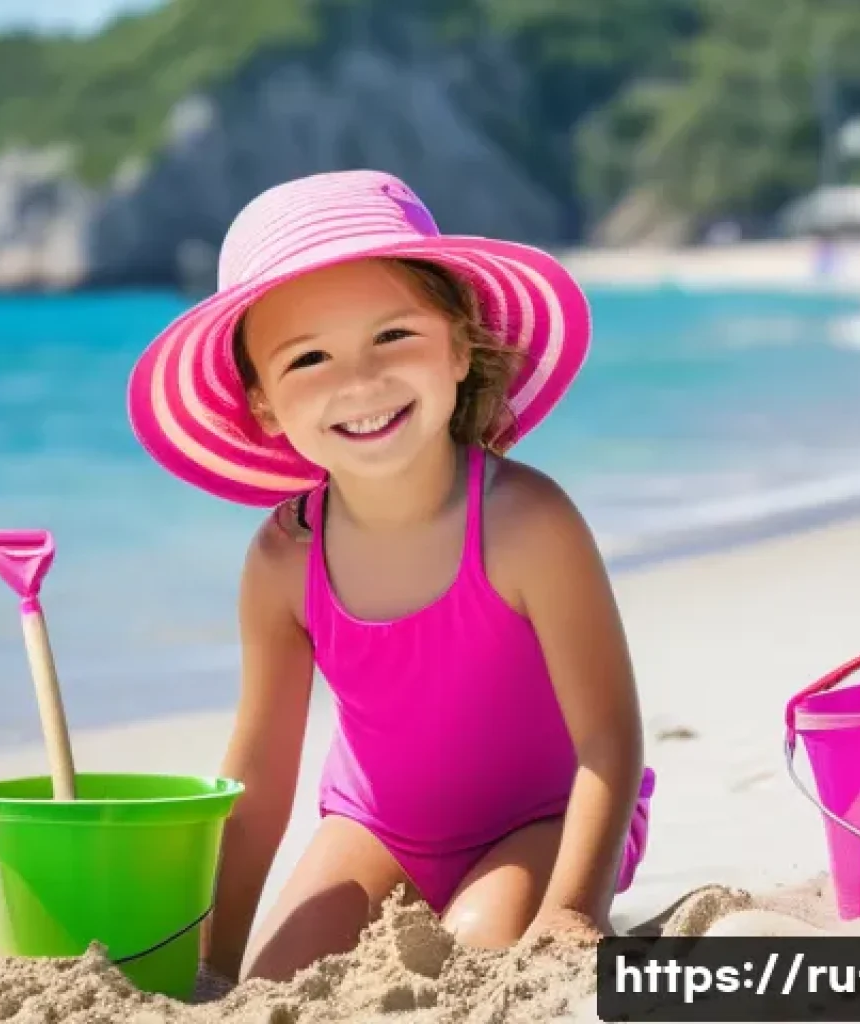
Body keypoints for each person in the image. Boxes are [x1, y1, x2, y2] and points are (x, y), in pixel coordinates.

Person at [127, 169, 655, 987]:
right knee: (278, 987)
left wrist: (573, 913)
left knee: (477, 959)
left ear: (459, 343)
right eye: (309, 358)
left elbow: (609, 738)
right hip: (376, 831)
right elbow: (261, 781)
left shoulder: (526, 523)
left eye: (393, 337)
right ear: (263, 403)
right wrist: (214, 968)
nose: (360, 382)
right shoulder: (283, 561)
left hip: (547, 821)